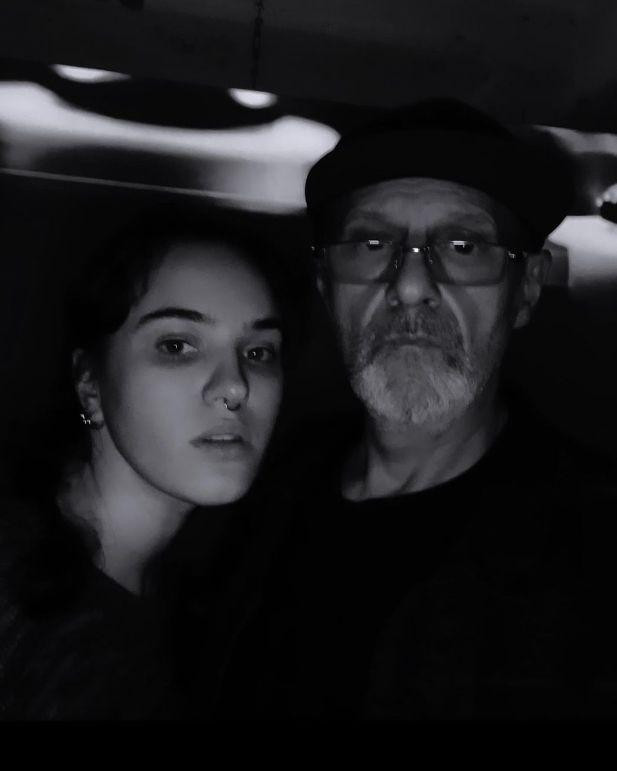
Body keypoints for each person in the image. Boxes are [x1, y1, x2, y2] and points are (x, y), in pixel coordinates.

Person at [216, 100, 617, 720]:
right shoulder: (254, 494)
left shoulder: (596, 552)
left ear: (527, 289)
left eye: (463, 246)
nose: (408, 286)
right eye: (371, 243)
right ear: (326, 283)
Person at [0, 207, 296, 719]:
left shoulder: (212, 599)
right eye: (177, 345)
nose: (235, 386)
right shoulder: (16, 591)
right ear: (90, 384)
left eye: (259, 352)